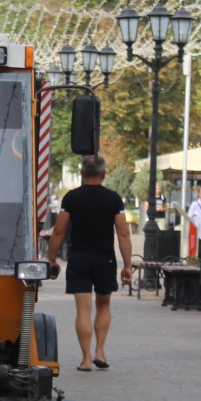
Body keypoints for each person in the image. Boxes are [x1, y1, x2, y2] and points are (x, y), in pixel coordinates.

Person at [47, 154, 132, 371]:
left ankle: (85, 359)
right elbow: (123, 233)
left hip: (79, 257)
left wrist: (52, 259)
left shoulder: (71, 198)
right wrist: (128, 264)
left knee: (83, 309)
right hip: (105, 258)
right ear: (104, 174)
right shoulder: (113, 199)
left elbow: (59, 230)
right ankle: (100, 352)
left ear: (82, 174)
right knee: (104, 304)